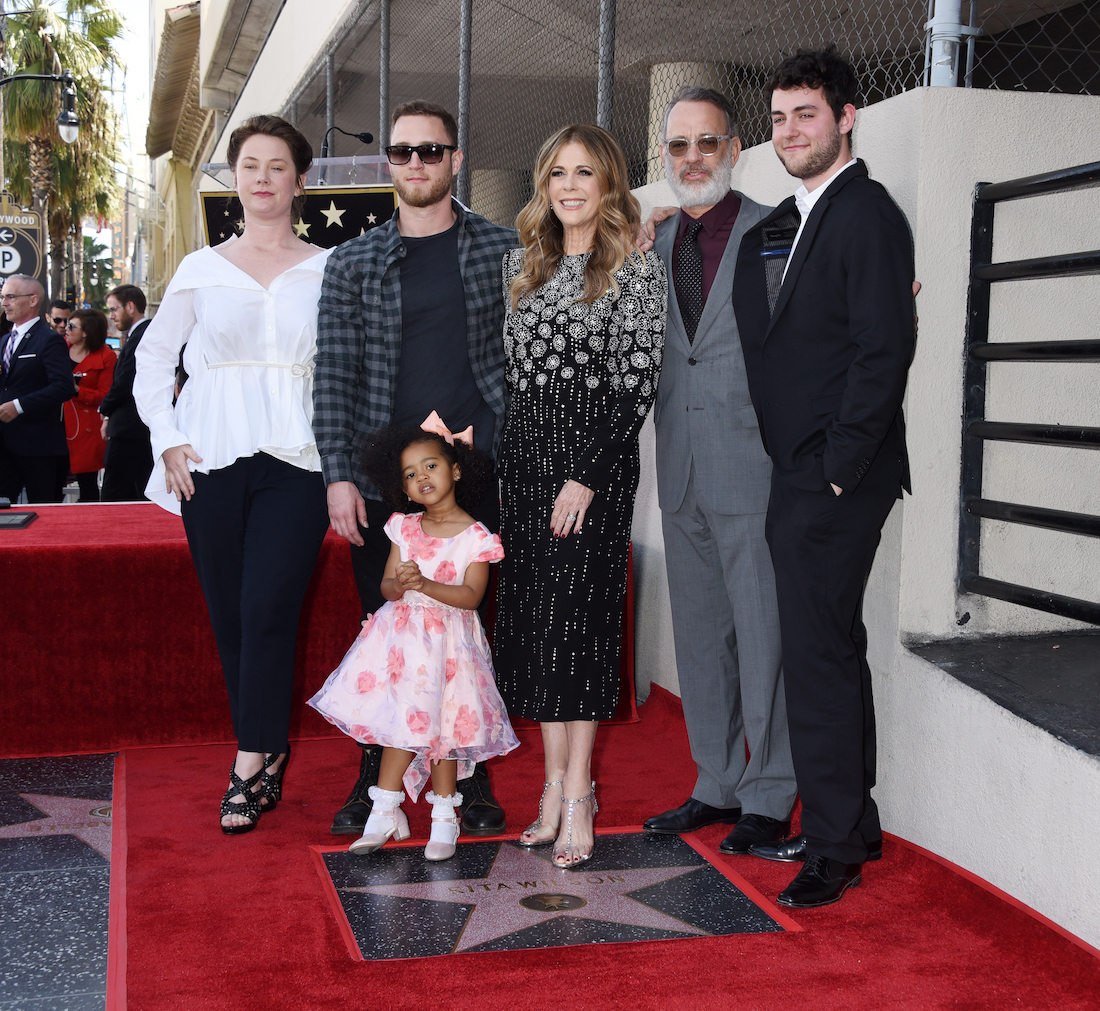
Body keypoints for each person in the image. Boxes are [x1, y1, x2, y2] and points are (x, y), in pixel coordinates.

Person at [732, 48, 916, 907]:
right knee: (832, 645)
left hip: (836, 475)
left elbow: (885, 351)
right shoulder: (787, 219)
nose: (789, 132)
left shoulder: (867, 215)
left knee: (813, 653)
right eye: (778, 119)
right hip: (798, 469)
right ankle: (856, 822)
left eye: (806, 114)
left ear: (847, 117)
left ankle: (836, 842)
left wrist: (839, 470)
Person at [314, 99, 516, 838]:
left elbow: (581, 265)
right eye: (404, 153)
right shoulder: (353, 261)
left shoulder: (503, 248)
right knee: (388, 628)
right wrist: (339, 472)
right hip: (385, 483)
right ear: (388, 164)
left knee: (468, 627)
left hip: (480, 476)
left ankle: (466, 778)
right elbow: (332, 372)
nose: (418, 164)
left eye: (432, 151)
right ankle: (380, 779)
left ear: (456, 159)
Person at [134, 115, 332, 834]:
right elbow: (154, 361)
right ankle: (270, 745)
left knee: (268, 606)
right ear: (235, 178)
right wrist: (167, 438)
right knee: (230, 613)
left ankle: (250, 758)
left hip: (298, 458)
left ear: (299, 180)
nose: (262, 177)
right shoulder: (201, 267)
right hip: (210, 458)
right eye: (249, 164)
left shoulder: (328, 267)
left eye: (277, 165)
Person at [493, 124, 667, 869]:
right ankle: (552, 785)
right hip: (526, 471)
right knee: (539, 635)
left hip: (590, 475)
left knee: (579, 633)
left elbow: (636, 384)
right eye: (558, 172)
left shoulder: (633, 269)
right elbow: (513, 382)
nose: (569, 186)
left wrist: (587, 475)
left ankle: (577, 797)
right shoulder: (520, 265)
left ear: (609, 185)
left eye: (585, 173)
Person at [640, 88, 798, 853]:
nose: (693, 158)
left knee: (764, 635)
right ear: (665, 159)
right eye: (679, 146)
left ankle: (769, 791)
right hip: (681, 468)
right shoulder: (654, 242)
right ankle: (716, 783)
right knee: (701, 636)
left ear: (735, 150)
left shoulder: (779, 231)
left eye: (707, 143)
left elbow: (809, 334)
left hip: (754, 466)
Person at [309, 425, 519, 861]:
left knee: (444, 730)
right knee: (399, 726)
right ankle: (385, 810)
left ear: (456, 470)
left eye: (431, 465)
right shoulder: (403, 528)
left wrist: (424, 582)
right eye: (409, 474)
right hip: (404, 646)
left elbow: (471, 597)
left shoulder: (477, 537)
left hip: (451, 651)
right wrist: (401, 584)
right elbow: (386, 586)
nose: (421, 477)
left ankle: (445, 817)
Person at [0, 274, 75, 503]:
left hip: (38, 446)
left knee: (43, 513)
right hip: (4, 446)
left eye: (11, 297)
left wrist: (18, 406)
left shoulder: (49, 340)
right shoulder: (4, 341)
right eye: (3, 297)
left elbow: (63, 387)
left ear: (33, 300)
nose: (5, 303)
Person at [99, 285, 154, 501]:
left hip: (130, 430)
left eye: (114, 309)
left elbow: (125, 381)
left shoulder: (143, 335)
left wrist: (104, 409)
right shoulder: (142, 334)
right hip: (136, 428)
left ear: (130, 307)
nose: (112, 317)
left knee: (114, 493)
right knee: (138, 492)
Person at [64, 308, 117, 502]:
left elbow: (106, 394)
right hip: (57, 422)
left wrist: (77, 390)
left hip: (86, 425)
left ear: (86, 332)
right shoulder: (59, 347)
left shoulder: (106, 357)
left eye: (71, 326)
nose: (65, 328)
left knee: (87, 482)